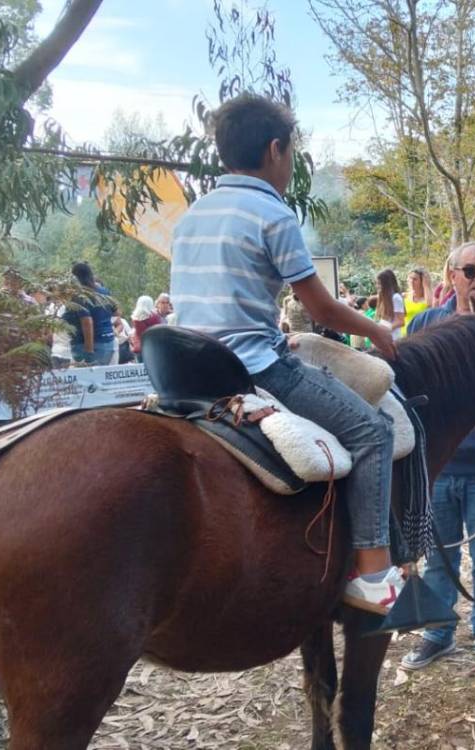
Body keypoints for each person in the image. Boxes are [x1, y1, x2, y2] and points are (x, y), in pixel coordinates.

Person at [168, 94, 406, 614]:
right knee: (374, 432)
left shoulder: (192, 215)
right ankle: (374, 572)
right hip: (251, 368)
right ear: (275, 149)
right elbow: (320, 305)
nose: (290, 162)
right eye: (291, 152)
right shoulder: (273, 213)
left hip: (185, 369)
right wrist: (377, 331)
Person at [400, 242, 475, 684]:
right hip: (437, 468)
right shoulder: (425, 323)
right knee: (438, 557)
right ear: (451, 275)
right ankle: (438, 632)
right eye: (470, 270)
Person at [67, 262, 117, 366]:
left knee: (88, 375)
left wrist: (89, 351)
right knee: (102, 374)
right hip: (108, 341)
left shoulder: (80, 296)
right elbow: (117, 312)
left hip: (88, 345)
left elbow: (87, 322)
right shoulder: (104, 292)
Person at [372, 268, 407, 338]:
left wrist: (386, 329)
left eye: (379, 283)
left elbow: (401, 321)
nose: (377, 286)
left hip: (393, 337)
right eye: (377, 283)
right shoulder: (383, 297)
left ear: (387, 284)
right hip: (383, 336)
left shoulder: (396, 297)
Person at [130, 294, 163, 361]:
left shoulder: (135, 318)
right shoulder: (154, 317)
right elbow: (159, 331)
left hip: (139, 347)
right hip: (152, 347)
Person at [403, 267, 433, 333]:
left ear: (422, 282)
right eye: (410, 278)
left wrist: (426, 286)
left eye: (415, 279)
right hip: (404, 334)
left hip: (420, 335)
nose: (411, 281)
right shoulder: (405, 296)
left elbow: (430, 306)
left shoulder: (428, 298)